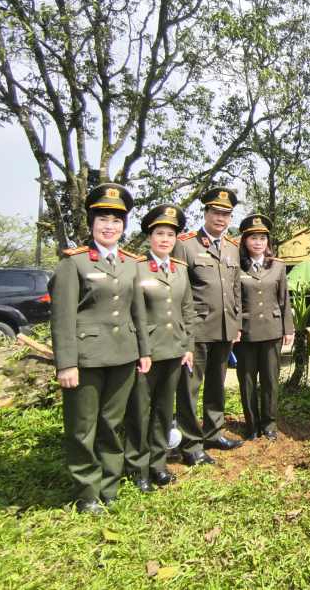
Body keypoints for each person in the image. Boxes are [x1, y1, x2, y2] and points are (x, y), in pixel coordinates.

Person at [50, 183, 151, 514]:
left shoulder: (130, 263)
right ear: (91, 223)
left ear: (123, 226)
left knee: (111, 422)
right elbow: (62, 318)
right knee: (83, 427)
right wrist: (66, 364)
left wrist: (144, 351)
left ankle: (109, 483)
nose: (110, 226)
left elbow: (138, 310)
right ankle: (88, 491)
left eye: (117, 221)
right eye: (103, 220)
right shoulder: (74, 263)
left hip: (123, 355)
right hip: (86, 357)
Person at [124, 204, 195, 492]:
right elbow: (132, 312)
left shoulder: (180, 270)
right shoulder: (135, 268)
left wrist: (188, 345)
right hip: (147, 353)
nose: (165, 239)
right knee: (140, 412)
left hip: (175, 350)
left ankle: (157, 464)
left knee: (164, 411)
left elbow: (187, 309)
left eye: (170, 234)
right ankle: (137, 469)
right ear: (149, 237)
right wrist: (142, 350)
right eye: (159, 233)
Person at [173, 186, 244, 466]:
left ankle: (213, 432)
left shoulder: (232, 247)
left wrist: (236, 323)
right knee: (190, 388)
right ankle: (191, 445)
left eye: (226, 214)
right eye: (216, 212)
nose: (221, 218)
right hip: (197, 329)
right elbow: (178, 289)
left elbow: (235, 287)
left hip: (225, 328)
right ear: (205, 213)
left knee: (217, 384)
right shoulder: (186, 244)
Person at [235, 213, 294, 441]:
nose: (258, 242)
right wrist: (235, 329)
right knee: (247, 381)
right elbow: (234, 300)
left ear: (268, 241)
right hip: (246, 333)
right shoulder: (236, 267)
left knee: (270, 380)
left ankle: (269, 424)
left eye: (262, 237)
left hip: (272, 331)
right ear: (245, 241)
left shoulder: (277, 266)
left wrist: (288, 329)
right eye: (252, 238)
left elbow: (284, 299)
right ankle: (251, 425)